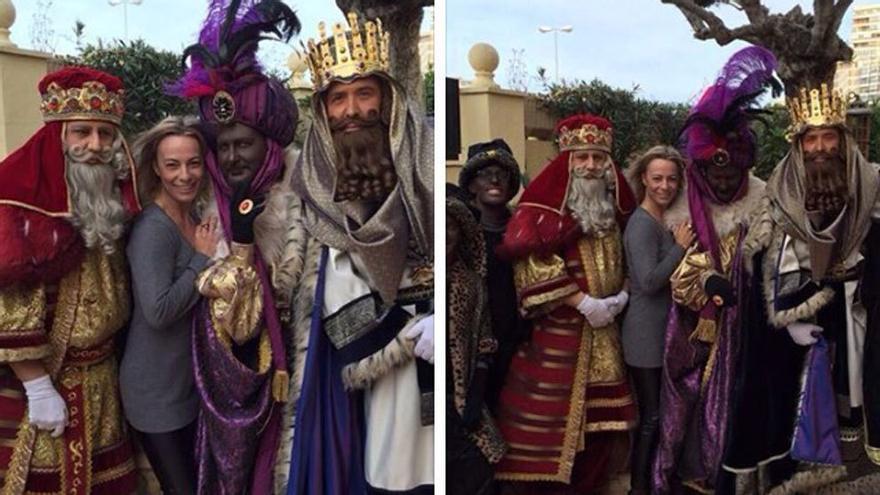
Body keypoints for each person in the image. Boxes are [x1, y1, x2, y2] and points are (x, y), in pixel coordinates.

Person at [281, 12, 435, 495]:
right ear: (323, 110)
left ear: (386, 100)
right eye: (338, 98)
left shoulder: (424, 162)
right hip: (378, 359)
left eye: (364, 93)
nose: (351, 109)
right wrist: (409, 334)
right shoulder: (311, 185)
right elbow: (330, 282)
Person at [167, 2, 303, 493]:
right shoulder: (207, 209)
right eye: (222, 147)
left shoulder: (307, 203)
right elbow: (232, 319)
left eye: (242, 144)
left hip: (305, 382)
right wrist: (240, 248)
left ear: (268, 146)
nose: (231, 157)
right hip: (238, 392)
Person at [719, 79, 880, 492]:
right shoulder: (778, 194)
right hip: (802, 325)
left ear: (842, 140)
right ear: (799, 144)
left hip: (862, 309)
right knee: (797, 414)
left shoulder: (873, 186)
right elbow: (760, 264)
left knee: (861, 403)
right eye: (812, 139)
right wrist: (787, 317)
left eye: (829, 137)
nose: (821, 147)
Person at [0, 66, 140, 494]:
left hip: (105, 381)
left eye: (105, 134)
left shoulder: (111, 198)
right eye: (82, 132)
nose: (94, 147)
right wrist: (39, 386)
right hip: (46, 383)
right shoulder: (20, 208)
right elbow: (9, 309)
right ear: (58, 135)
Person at [650, 46, 776, 494]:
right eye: (715, 175)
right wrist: (706, 281)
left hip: (749, 323)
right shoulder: (681, 209)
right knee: (687, 400)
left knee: (740, 398)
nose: (723, 183)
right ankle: (689, 473)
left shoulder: (764, 203)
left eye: (731, 176)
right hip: (692, 326)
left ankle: (728, 473)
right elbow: (678, 269)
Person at [493, 113, 637, 493]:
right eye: (581, 158)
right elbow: (531, 264)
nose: (590, 166)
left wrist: (621, 293)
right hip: (559, 336)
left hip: (607, 337)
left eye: (598, 157)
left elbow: (630, 256)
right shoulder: (542, 209)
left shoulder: (615, 210)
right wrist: (582, 301)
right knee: (550, 432)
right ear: (566, 161)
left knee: (602, 430)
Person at [120, 116, 219, 495]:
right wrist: (200, 259)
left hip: (186, 387)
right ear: (157, 169)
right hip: (154, 393)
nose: (185, 175)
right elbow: (158, 311)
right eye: (173, 165)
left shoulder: (191, 216)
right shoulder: (153, 229)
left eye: (193, 163)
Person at [621, 145, 693, 495]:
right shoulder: (642, 224)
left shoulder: (658, 221)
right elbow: (648, 282)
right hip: (644, 333)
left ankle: (654, 481)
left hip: (657, 330)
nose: (665, 186)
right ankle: (640, 487)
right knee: (651, 415)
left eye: (672, 179)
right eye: (657, 179)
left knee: (660, 412)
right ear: (644, 180)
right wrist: (679, 247)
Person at [457, 139, 530, 413]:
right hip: (474, 351)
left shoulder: (524, 229)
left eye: (502, 173)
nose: (495, 179)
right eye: (485, 173)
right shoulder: (459, 236)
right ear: (471, 184)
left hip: (520, 345)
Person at [446, 193, 507, 495]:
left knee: (476, 472)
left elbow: (485, 340)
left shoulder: (470, 283)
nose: (444, 233)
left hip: (459, 400)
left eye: (451, 226)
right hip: (418, 399)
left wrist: (474, 394)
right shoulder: (412, 278)